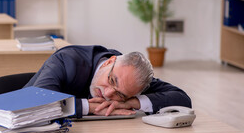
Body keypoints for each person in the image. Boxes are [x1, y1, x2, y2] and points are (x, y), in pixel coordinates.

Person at [24, 45, 191, 119]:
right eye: (111, 80)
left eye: (120, 94)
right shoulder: (67, 60)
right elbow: (39, 103)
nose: (109, 93)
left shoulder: (132, 78)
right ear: (109, 62)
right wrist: (89, 107)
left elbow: (182, 99)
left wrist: (131, 103)